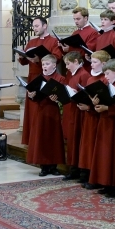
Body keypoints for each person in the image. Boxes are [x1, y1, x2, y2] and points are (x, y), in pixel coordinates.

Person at [17, 16, 63, 145]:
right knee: (32, 109)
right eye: (33, 26)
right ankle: (31, 138)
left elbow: (57, 58)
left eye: (36, 26)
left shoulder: (53, 41)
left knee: (43, 108)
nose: (34, 28)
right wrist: (22, 56)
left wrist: (40, 59)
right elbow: (24, 61)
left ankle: (42, 138)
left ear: (44, 26)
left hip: (47, 78)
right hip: (33, 77)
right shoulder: (32, 42)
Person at [88, 59, 115, 197]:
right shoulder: (108, 84)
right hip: (105, 122)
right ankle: (105, 182)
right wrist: (96, 102)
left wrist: (107, 108)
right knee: (104, 154)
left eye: (108, 73)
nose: (105, 77)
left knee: (114, 154)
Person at [25, 55, 66, 177]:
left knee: (53, 138)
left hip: (53, 111)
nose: (44, 67)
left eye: (47, 64)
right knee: (41, 137)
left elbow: (63, 97)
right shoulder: (39, 78)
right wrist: (31, 96)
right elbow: (33, 95)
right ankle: (44, 166)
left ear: (54, 65)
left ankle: (53, 166)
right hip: (41, 110)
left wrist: (57, 98)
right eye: (43, 64)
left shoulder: (60, 78)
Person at [77, 50, 110, 188]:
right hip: (88, 116)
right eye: (91, 61)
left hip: (99, 117)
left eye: (95, 62)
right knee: (87, 145)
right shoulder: (90, 78)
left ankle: (95, 177)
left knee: (95, 147)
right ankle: (86, 173)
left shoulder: (105, 79)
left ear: (103, 64)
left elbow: (106, 100)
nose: (91, 64)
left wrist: (91, 107)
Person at [61, 51, 90, 180]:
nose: (66, 67)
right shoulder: (73, 74)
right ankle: (73, 169)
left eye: (68, 64)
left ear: (76, 62)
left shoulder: (83, 75)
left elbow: (86, 94)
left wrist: (75, 93)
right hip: (72, 111)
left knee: (78, 140)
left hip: (80, 112)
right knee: (73, 140)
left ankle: (80, 171)